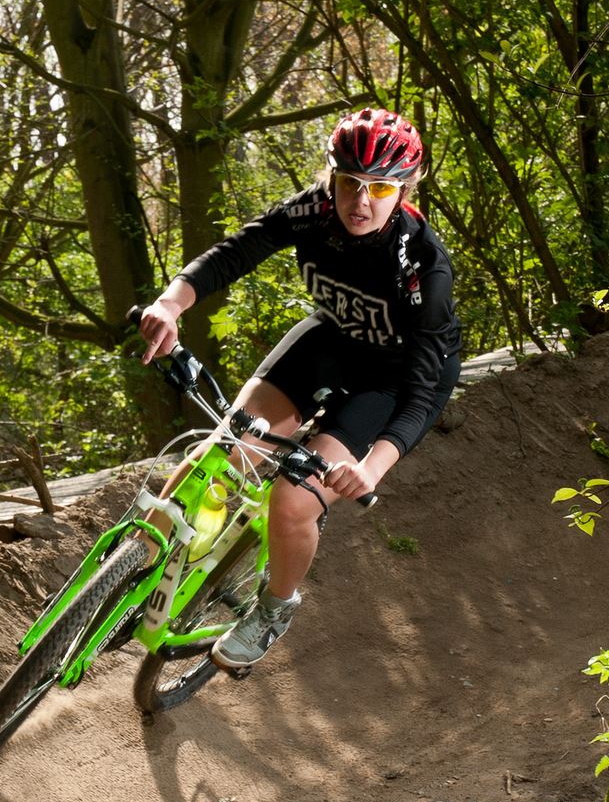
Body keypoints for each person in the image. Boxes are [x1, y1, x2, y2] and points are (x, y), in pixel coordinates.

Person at [136, 107, 461, 670]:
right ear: (330, 179)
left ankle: (275, 606)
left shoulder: (423, 268)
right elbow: (237, 252)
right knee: (220, 453)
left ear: (404, 189)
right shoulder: (312, 211)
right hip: (328, 344)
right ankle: (126, 576)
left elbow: (426, 390)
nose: (361, 202)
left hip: (390, 381)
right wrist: (171, 302)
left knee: (292, 500)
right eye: (348, 184)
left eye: (380, 187)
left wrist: (374, 467)